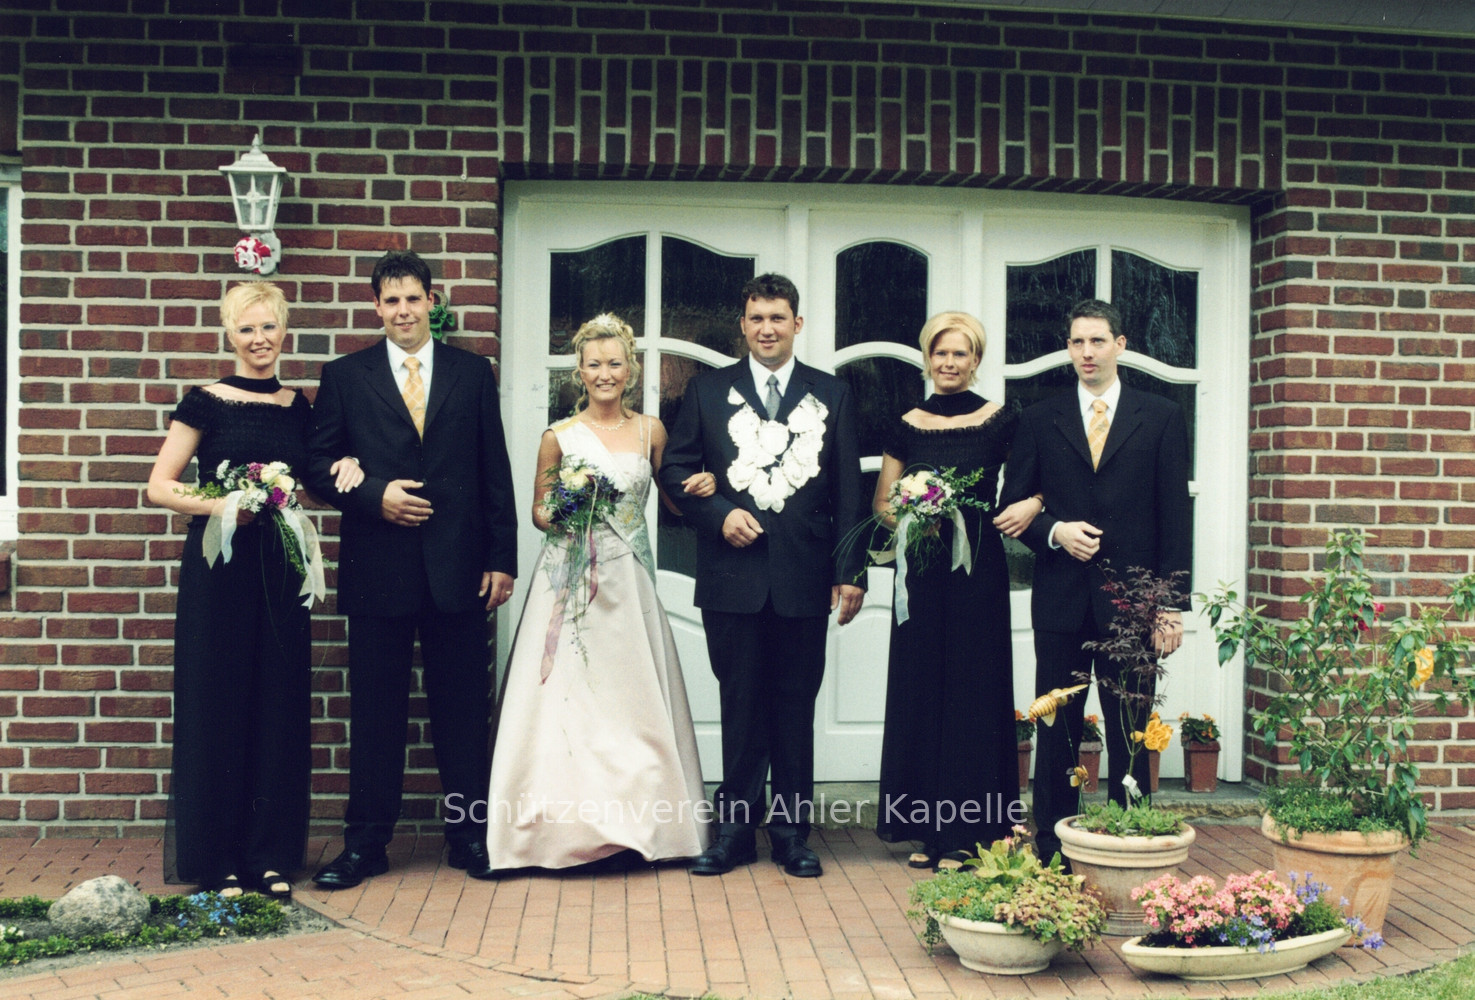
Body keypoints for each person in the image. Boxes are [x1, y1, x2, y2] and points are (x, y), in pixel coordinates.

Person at [305, 250, 518, 887]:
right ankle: (366, 845)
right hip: (378, 568)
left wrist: (501, 558)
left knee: (462, 711)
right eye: (391, 300)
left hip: (459, 569)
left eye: (413, 298)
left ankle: (469, 836)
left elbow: (494, 468)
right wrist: (375, 496)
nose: (403, 311)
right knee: (376, 714)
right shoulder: (346, 376)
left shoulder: (471, 373)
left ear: (432, 301)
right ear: (376, 307)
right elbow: (317, 466)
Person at [147, 282, 363, 900]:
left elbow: (316, 480)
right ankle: (216, 859)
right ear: (229, 334)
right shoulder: (205, 402)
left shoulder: (301, 407)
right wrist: (225, 504)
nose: (259, 339)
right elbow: (160, 485)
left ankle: (269, 855)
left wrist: (349, 467)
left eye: (269, 327)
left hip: (281, 568)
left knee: (278, 703)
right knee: (218, 702)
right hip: (219, 570)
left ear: (284, 331)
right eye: (247, 329)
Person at [486, 314, 715, 871]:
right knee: (568, 700)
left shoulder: (650, 431)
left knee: (629, 702)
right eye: (594, 365)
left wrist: (703, 485)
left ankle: (643, 826)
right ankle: (559, 832)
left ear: (629, 370)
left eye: (615, 364)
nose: (605, 374)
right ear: (580, 372)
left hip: (628, 585)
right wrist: (572, 502)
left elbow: (675, 502)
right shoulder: (558, 436)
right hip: (568, 581)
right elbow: (539, 514)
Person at [658, 273, 868, 879]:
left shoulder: (832, 393)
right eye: (756, 318)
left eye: (778, 318)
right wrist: (718, 516)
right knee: (741, 703)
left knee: (794, 707)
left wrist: (851, 571)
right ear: (743, 325)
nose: (767, 329)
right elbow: (674, 471)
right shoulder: (706, 390)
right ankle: (734, 833)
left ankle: (792, 834)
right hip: (732, 577)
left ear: (797, 324)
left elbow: (850, 492)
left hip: (805, 576)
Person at [997, 297, 1191, 862]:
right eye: (1078, 341)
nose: (1087, 352)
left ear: (1120, 346)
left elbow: (1175, 516)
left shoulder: (1161, 415)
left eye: (1098, 341)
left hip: (1134, 606)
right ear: (1068, 348)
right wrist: (1056, 531)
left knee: (1131, 729)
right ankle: (1052, 849)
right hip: (1061, 599)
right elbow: (1012, 507)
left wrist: (1170, 604)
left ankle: (1130, 845)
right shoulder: (1040, 417)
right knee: (1056, 728)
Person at [872, 312, 1043, 870]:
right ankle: (925, 830)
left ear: (976, 360)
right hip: (922, 572)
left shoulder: (1002, 419)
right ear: (927, 358)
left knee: (973, 689)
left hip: (978, 572)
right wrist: (914, 516)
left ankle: (971, 832)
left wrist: (1031, 505)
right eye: (940, 353)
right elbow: (882, 502)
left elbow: (1031, 483)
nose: (949, 363)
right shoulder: (905, 422)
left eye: (960, 354)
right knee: (921, 688)